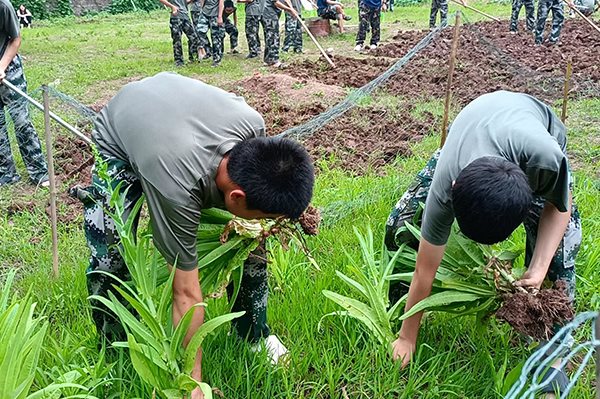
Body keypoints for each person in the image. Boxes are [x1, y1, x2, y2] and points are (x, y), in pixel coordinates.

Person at [72, 72, 315, 399]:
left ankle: (254, 334)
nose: (270, 224)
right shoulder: (177, 188)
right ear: (237, 198)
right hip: (121, 133)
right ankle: (115, 348)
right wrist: (193, 382)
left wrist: (264, 222)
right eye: (268, 216)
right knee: (110, 259)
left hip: (174, 117)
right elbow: (185, 294)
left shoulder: (253, 126)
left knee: (251, 241)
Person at [385, 91, 580, 397]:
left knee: (558, 255)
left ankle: (553, 355)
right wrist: (408, 338)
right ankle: (397, 308)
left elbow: (559, 206)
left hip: (530, 129)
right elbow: (426, 269)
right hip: (471, 135)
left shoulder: (547, 159)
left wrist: (539, 266)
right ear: (453, 190)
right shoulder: (447, 181)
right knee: (400, 224)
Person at [0, 0, 48, 188]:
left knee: (21, 121)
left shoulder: (4, 6)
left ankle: (39, 172)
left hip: (9, 70)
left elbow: (16, 39)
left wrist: (1, 66)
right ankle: (6, 174)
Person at [158, 0, 201, 66]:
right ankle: (179, 61)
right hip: (176, 17)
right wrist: (172, 6)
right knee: (177, 40)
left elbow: (185, 2)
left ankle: (193, 58)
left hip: (185, 16)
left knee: (194, 37)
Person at [197, 0, 226, 67]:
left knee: (215, 38)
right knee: (200, 31)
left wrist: (220, 16)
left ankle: (216, 60)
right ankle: (208, 50)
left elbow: (221, 3)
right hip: (205, 13)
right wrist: (202, 10)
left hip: (215, 15)